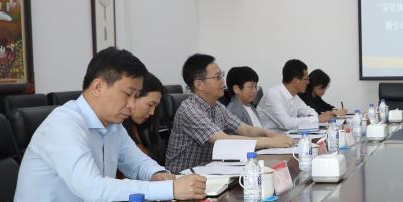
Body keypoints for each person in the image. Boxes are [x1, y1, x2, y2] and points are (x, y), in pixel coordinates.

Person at [9, 48, 206, 202]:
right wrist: (170, 189)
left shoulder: (113, 125)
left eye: (136, 96)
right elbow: (93, 189)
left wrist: (158, 174)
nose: (131, 105)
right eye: (128, 94)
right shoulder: (63, 124)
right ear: (98, 87)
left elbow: (137, 162)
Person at [165, 54, 293, 173]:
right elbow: (223, 140)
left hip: (209, 170)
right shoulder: (190, 109)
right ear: (199, 84)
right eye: (217, 77)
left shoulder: (217, 106)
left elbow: (245, 129)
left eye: (222, 75)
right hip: (183, 176)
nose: (223, 81)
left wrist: (269, 133)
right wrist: (269, 142)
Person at [257, 59, 336, 130]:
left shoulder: (294, 96)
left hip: (286, 135)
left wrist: (317, 118)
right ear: (295, 80)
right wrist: (318, 119)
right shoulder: (273, 95)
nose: (308, 82)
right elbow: (287, 123)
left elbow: (308, 111)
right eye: (306, 79)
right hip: (269, 138)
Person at [122, 71, 165, 165]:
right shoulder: (115, 129)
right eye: (150, 105)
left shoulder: (138, 127)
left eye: (155, 107)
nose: (152, 112)